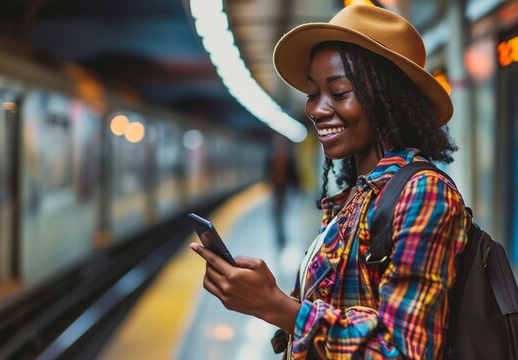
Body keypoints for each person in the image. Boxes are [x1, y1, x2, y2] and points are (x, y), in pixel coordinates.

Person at [190, 5, 469, 359]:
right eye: (312, 94)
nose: (317, 110)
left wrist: (277, 306)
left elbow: (403, 350)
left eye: (338, 93)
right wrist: (266, 295)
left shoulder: (423, 194)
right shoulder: (356, 196)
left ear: (388, 101)